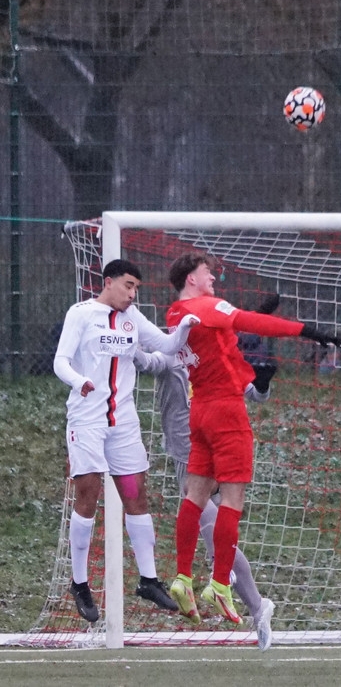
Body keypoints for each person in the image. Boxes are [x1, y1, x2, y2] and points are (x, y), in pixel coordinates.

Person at [165, 252, 340, 626]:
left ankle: (182, 577)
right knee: (233, 499)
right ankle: (219, 584)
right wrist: (307, 331)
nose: (213, 277)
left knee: (196, 495)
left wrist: (250, 320)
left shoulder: (176, 314)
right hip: (226, 411)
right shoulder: (206, 305)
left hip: (200, 411)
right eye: (207, 272)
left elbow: (224, 340)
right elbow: (251, 322)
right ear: (191, 278)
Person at [53, 258, 199, 623]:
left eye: (137, 288)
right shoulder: (81, 314)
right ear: (108, 282)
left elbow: (166, 345)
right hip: (87, 421)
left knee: (135, 494)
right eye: (128, 286)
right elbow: (60, 361)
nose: (133, 294)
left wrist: (184, 326)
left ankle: (148, 580)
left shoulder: (133, 318)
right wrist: (79, 381)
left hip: (124, 423)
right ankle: (80, 583)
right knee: (88, 494)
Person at [135, 327, 276, 649]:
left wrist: (262, 382)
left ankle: (244, 597)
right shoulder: (171, 358)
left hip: (220, 451)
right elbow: (146, 362)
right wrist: (123, 339)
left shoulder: (216, 360)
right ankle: (257, 606)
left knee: (215, 536)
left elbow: (252, 393)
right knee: (215, 538)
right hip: (189, 459)